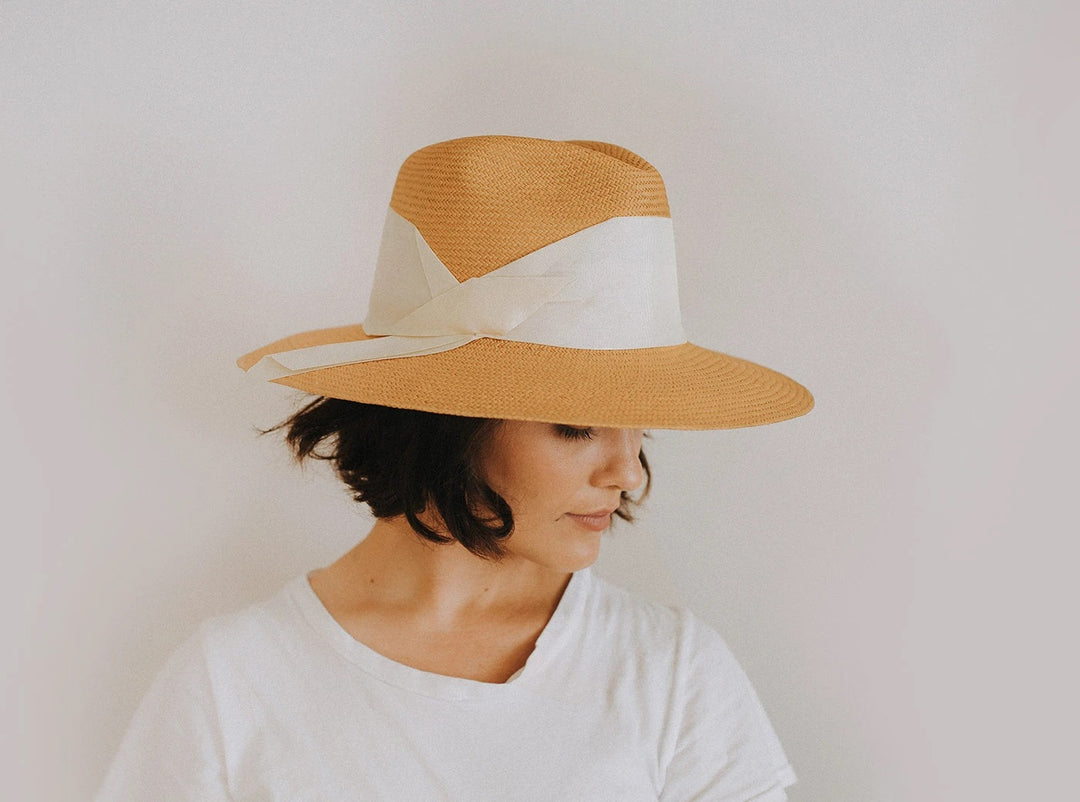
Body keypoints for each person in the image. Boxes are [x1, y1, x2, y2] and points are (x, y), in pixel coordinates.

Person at [97, 135, 813, 800]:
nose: (626, 472)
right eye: (577, 427)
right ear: (444, 425)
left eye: (640, 426)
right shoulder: (232, 684)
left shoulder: (670, 672)